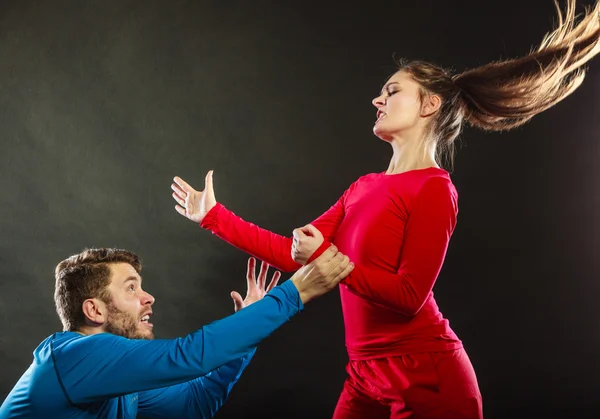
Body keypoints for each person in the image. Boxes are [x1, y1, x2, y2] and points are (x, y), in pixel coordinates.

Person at [170, 1, 600, 418]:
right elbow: (295, 253)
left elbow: (409, 297)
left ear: (429, 105)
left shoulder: (434, 189)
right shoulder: (364, 187)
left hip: (427, 377)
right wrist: (213, 216)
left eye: (392, 91)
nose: (378, 100)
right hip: (364, 375)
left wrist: (323, 257)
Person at [0, 246, 353, 419]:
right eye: (131, 288)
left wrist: (248, 334)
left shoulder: (114, 381)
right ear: (94, 310)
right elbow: (188, 355)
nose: (148, 297)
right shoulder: (74, 356)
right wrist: (295, 293)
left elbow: (195, 403)